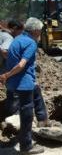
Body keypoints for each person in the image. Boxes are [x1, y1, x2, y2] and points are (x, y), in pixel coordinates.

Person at [0, 17, 45, 154]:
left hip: (14, 83)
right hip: (23, 84)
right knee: (26, 116)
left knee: (36, 89)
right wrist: (6, 75)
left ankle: (43, 118)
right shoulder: (31, 43)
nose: (40, 33)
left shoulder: (17, 40)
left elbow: (10, 58)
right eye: (40, 31)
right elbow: (21, 65)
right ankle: (26, 146)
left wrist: (8, 76)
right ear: (36, 30)